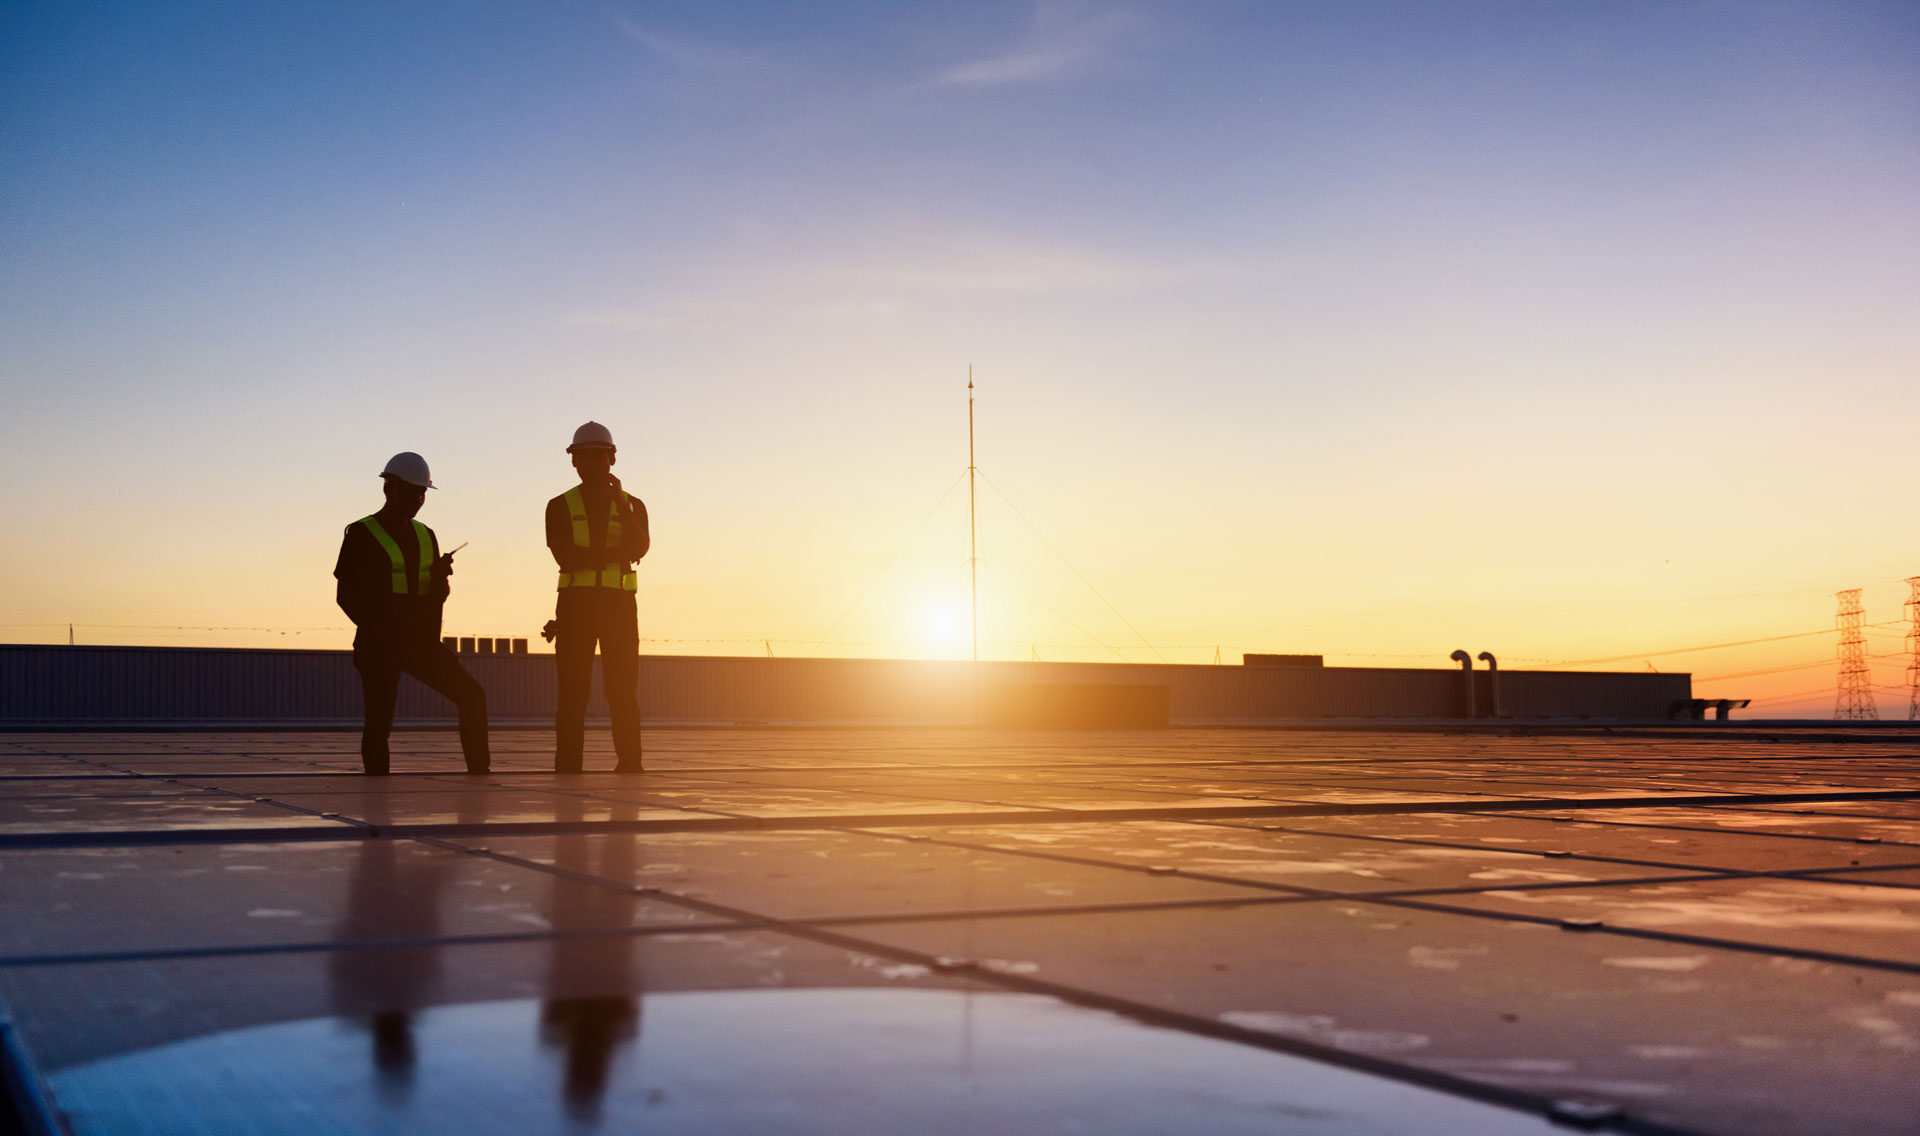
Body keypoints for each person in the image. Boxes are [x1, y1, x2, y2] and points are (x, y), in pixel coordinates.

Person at [334, 452, 489, 774]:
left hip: (421, 643)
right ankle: (377, 792)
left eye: (421, 493)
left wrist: (440, 579)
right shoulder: (361, 533)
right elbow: (345, 596)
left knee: (472, 696)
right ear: (389, 489)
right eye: (410, 492)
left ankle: (480, 774)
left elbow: (436, 598)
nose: (417, 500)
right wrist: (379, 633)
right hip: (379, 645)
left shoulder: (425, 535)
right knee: (380, 718)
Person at [546, 422, 649, 773]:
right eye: (584, 457)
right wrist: (612, 555)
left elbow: (640, 548)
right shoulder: (559, 505)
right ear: (575, 462)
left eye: (598, 456)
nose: (591, 463)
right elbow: (566, 557)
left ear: (612, 459)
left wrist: (620, 505)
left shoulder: (632, 505)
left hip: (619, 609)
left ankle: (631, 764)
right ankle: (568, 766)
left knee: (623, 691)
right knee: (573, 693)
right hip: (576, 608)